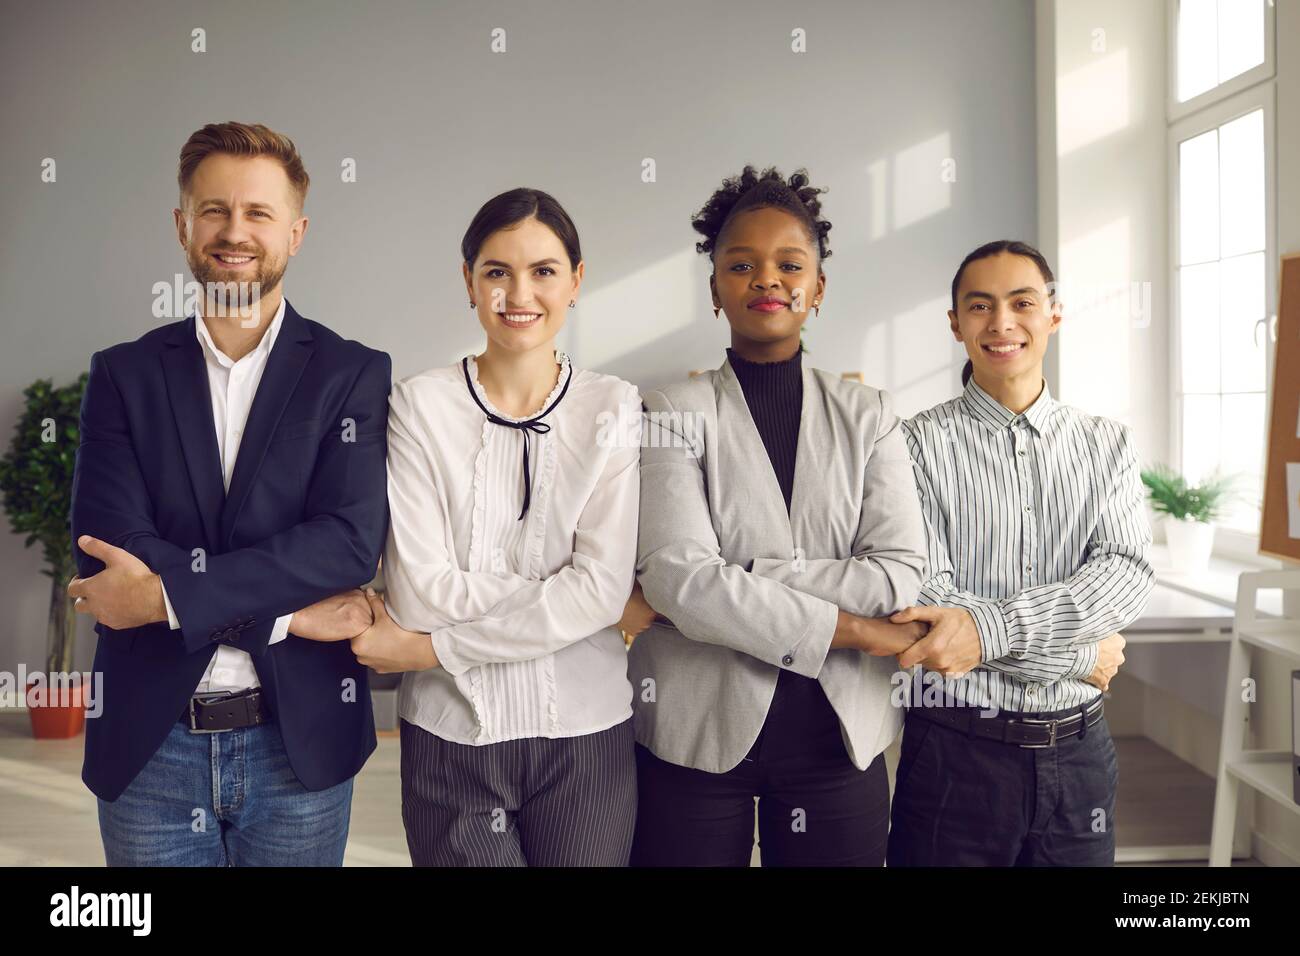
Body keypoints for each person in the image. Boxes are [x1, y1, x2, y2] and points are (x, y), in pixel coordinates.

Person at [69, 121, 390, 866]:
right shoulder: (124, 375)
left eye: (258, 213)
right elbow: (105, 537)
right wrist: (283, 615)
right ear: (183, 226)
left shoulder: (351, 373)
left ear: (296, 232)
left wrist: (161, 599)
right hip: (151, 746)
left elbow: (345, 542)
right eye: (214, 210)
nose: (234, 231)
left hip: (298, 745)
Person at [307, 188, 641, 866]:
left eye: (544, 271)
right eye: (497, 271)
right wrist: (568, 596)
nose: (519, 293)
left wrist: (431, 650)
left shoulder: (614, 405)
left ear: (576, 281)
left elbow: (601, 592)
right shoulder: (418, 405)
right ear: (469, 281)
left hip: (586, 736)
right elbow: (421, 594)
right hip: (450, 736)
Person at [626, 165, 928, 866]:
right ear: (715, 289)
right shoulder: (669, 412)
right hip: (695, 734)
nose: (767, 279)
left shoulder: (872, 415)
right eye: (741, 264)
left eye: (789, 264)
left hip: (840, 735)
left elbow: (901, 574)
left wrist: (749, 575)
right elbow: (676, 578)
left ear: (817, 288)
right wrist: (851, 627)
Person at [885, 239, 1153, 867]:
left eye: (1021, 302)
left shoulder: (1106, 444)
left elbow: (1125, 574)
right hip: (953, 754)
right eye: (979, 306)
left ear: (1053, 314)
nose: (1001, 323)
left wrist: (987, 632)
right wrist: (1081, 652)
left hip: (1080, 756)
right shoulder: (912, 445)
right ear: (955, 324)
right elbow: (927, 598)